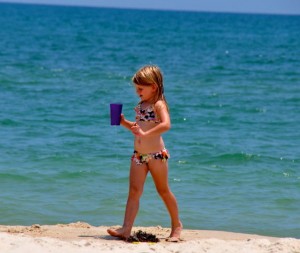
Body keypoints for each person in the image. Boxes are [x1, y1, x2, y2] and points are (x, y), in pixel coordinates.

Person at [107, 65, 182, 242]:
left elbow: (166, 124)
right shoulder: (141, 105)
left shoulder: (159, 104)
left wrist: (145, 134)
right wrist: (124, 122)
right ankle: (126, 229)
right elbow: (137, 128)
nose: (137, 92)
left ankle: (177, 225)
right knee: (133, 192)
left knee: (163, 190)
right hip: (139, 156)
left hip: (156, 155)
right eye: (136, 89)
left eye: (140, 89)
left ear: (153, 87)